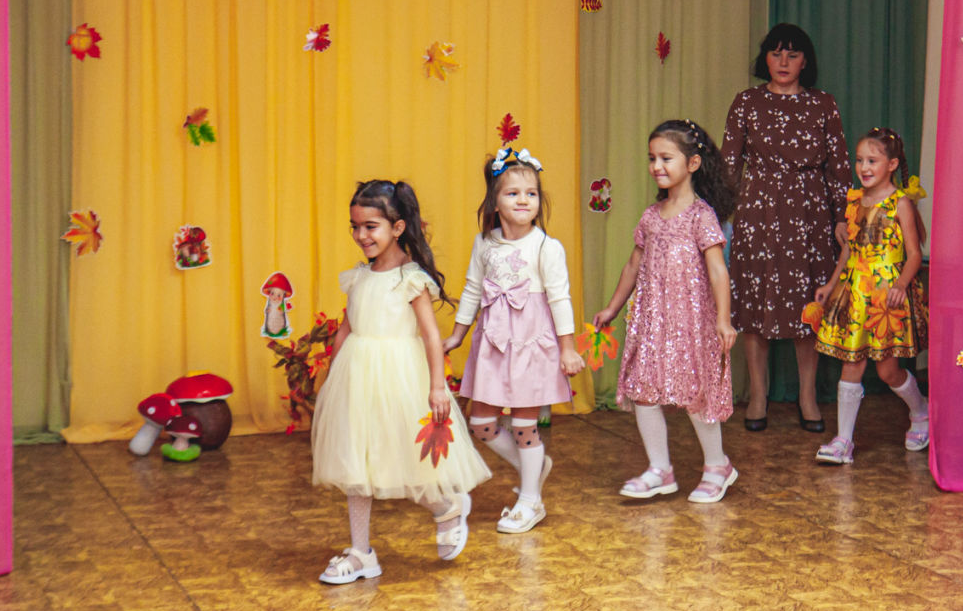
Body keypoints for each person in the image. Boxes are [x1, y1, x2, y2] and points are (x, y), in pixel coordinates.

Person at [311, 180, 490, 583]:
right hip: (357, 378)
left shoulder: (410, 278)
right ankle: (361, 553)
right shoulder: (359, 277)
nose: (361, 235)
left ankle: (446, 507)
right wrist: (331, 375)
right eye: (355, 227)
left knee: (407, 458)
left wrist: (437, 386)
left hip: (399, 378)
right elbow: (346, 327)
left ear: (397, 227)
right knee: (357, 462)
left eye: (370, 226)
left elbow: (430, 335)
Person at [593, 120, 739, 503]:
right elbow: (633, 265)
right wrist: (612, 307)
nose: (656, 166)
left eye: (666, 158)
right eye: (652, 158)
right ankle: (660, 470)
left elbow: (717, 270)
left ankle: (718, 466)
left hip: (691, 323)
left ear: (692, 163)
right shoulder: (651, 216)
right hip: (653, 322)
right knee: (643, 390)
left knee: (695, 392)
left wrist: (723, 319)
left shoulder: (701, 216)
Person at [443, 147, 584, 534]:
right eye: (513, 193)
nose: (524, 200)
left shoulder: (547, 247)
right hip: (493, 344)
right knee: (481, 423)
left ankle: (530, 500)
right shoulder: (484, 243)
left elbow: (559, 299)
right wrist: (457, 335)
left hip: (530, 345)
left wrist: (568, 348)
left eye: (531, 193)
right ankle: (533, 467)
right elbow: (472, 290)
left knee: (524, 427)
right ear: (494, 201)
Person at [721, 23, 849, 434]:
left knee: (808, 304)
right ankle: (758, 395)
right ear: (766, 58)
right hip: (756, 213)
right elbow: (728, 166)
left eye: (792, 54)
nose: (783, 61)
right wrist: (717, 217)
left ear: (805, 61)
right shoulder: (746, 102)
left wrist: (842, 218)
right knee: (754, 302)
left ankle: (807, 396)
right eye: (776, 53)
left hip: (810, 216)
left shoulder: (823, 104)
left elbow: (839, 167)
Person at [801, 128, 929, 465]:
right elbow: (849, 251)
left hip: (886, 297)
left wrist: (900, 285)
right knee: (852, 362)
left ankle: (921, 412)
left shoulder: (900, 203)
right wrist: (831, 285)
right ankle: (843, 441)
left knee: (888, 372)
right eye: (859, 160)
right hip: (856, 294)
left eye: (872, 160)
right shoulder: (855, 202)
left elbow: (914, 254)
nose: (864, 167)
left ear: (892, 164)